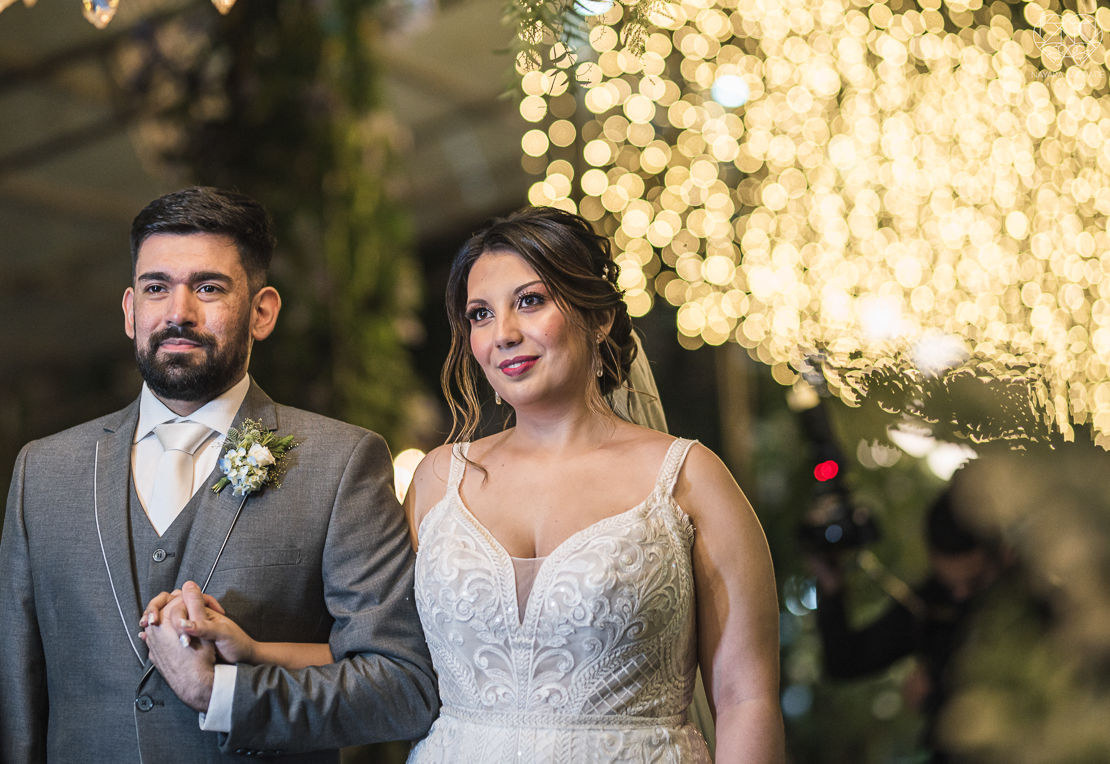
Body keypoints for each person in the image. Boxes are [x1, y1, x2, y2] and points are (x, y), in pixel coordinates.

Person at [156, 207, 784, 763]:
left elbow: (745, 698)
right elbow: (395, 663)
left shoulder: (689, 480)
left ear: (597, 317)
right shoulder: (437, 481)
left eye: (531, 301)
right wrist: (253, 649)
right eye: (481, 314)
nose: (503, 333)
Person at [0, 187, 439, 764]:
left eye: (208, 287)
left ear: (262, 311)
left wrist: (224, 694)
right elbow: (17, 690)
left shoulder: (340, 463)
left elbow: (402, 688)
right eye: (157, 287)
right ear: (129, 310)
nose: (178, 312)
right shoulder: (42, 472)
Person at [811, 481, 1008, 763]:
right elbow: (845, 661)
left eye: (974, 582)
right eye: (949, 583)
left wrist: (937, 695)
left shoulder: (1031, 601)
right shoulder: (927, 603)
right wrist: (830, 584)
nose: (960, 594)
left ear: (1004, 554)